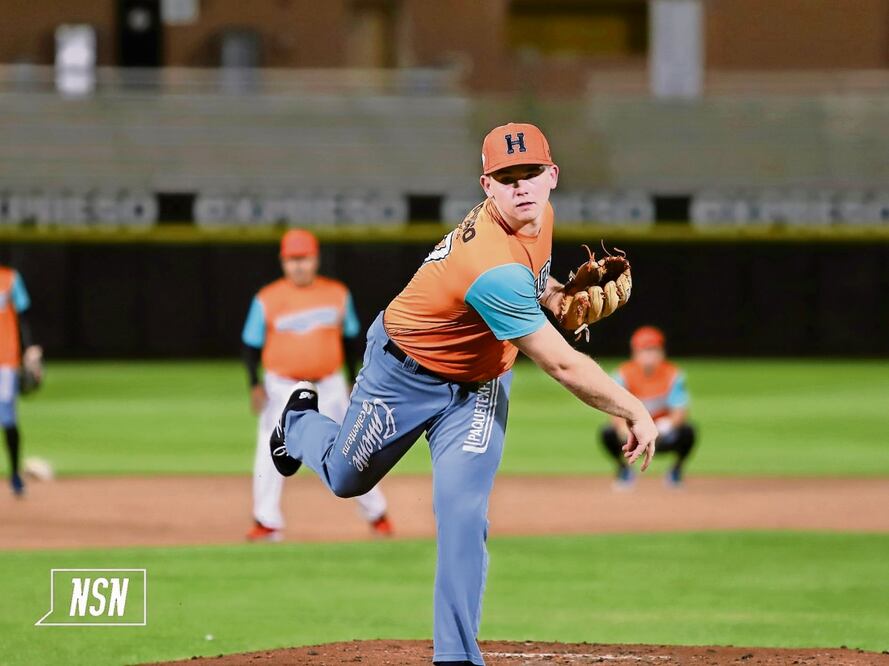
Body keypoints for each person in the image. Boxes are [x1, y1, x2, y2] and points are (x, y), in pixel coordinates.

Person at [269, 123, 657, 665]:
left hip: (479, 385)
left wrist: (553, 293)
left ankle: (455, 657)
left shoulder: (539, 217)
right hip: (401, 374)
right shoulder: (489, 264)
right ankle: (298, 426)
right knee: (345, 478)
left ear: (552, 177)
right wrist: (633, 407)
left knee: (463, 514)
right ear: (486, 185)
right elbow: (563, 364)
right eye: (507, 177)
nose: (521, 187)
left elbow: (534, 279)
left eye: (531, 174)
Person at [241, 229, 392, 542]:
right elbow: (250, 345)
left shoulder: (336, 293)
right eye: (292, 260)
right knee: (270, 449)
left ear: (315, 259)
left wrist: (353, 379)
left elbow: (352, 339)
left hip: (331, 384)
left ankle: (376, 513)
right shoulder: (267, 299)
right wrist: (254, 383)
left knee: (355, 446)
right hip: (282, 385)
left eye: (304, 259)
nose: (299, 266)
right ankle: (267, 520)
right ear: (283, 262)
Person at [601, 326, 696, 489]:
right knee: (607, 433)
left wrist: (666, 426)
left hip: (662, 435)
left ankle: (675, 471)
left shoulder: (672, 375)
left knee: (688, 432)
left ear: (661, 352)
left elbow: (680, 411)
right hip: (633, 436)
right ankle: (624, 470)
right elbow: (614, 411)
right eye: (645, 350)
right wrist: (625, 430)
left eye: (653, 349)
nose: (649, 355)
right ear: (635, 352)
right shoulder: (623, 375)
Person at [0, 264, 42, 497]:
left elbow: (24, 314)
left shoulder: (10, 278)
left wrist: (30, 348)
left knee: (7, 419)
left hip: (6, 359)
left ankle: (15, 474)